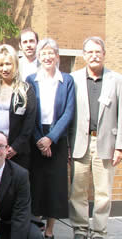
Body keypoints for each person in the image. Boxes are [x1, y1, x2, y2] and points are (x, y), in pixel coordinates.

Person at [69, 36, 122, 239]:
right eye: (90, 52)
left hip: (106, 143)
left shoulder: (116, 80)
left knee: (103, 193)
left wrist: (120, 147)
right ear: (84, 55)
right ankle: (81, 230)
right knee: (78, 191)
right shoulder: (73, 79)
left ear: (104, 55)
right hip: (79, 144)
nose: (94, 56)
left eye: (97, 52)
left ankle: (99, 231)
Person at [26, 38, 75, 239]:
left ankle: (50, 230)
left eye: (51, 53)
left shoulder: (67, 80)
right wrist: (40, 139)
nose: (47, 56)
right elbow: (29, 112)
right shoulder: (30, 80)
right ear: (38, 57)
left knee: (55, 186)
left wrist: (51, 139)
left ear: (57, 57)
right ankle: (36, 226)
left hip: (57, 138)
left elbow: (69, 112)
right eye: (43, 53)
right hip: (35, 135)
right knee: (36, 183)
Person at [0, 44, 36, 170]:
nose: (5, 69)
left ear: (15, 64)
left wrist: (14, 148)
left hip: (18, 152)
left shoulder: (26, 89)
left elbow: (29, 123)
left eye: (8, 64)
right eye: (1, 65)